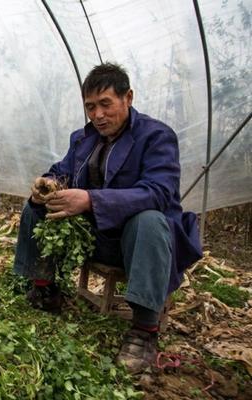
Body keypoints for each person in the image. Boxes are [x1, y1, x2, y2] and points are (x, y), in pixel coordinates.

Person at [14, 63, 202, 373]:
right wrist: (47, 185)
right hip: (96, 237)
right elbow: (63, 171)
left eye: (105, 104)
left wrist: (90, 200)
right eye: (90, 107)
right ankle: (45, 289)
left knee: (150, 219)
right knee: (36, 208)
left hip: (139, 243)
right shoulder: (83, 139)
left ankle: (144, 331)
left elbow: (159, 192)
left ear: (128, 98)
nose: (98, 115)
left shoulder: (156, 137)